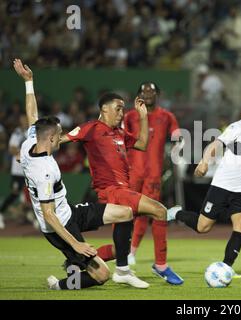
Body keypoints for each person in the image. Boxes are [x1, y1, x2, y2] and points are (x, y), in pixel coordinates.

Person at [13, 58, 133, 290]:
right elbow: (48, 215)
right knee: (102, 275)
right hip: (59, 227)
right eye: (59, 134)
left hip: (69, 211)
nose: (62, 137)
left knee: (126, 213)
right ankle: (59, 285)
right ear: (50, 139)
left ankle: (118, 264)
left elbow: (32, 116)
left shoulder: (30, 143)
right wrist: (75, 245)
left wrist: (29, 82)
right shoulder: (45, 171)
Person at [61, 90, 174, 288]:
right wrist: (35, 149)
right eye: (118, 109)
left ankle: (78, 261)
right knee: (160, 210)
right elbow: (60, 140)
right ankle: (146, 267)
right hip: (111, 190)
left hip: (124, 189)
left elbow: (142, 143)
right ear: (104, 109)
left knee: (120, 245)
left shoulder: (119, 133)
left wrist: (143, 117)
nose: (122, 113)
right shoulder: (91, 128)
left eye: (123, 109)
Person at [167, 91, 241, 276]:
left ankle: (226, 267)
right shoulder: (237, 127)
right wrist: (205, 161)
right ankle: (177, 213)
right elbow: (215, 145)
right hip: (222, 186)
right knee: (202, 227)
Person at [96, 82, 183, 285]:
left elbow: (179, 136)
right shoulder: (130, 116)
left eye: (151, 91)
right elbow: (114, 134)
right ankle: (120, 256)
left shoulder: (166, 116)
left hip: (153, 175)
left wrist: (180, 146)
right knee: (124, 215)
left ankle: (154, 262)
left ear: (158, 95)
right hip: (130, 175)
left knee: (155, 214)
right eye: (144, 91)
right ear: (139, 95)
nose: (148, 94)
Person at [0, 113, 29, 229]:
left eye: (25, 119)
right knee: (14, 193)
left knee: (31, 195)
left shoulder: (32, 132)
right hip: (17, 170)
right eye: (22, 120)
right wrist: (24, 152)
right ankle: (1, 212)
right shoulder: (17, 133)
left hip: (29, 170)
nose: (24, 122)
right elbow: (11, 149)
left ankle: (28, 216)